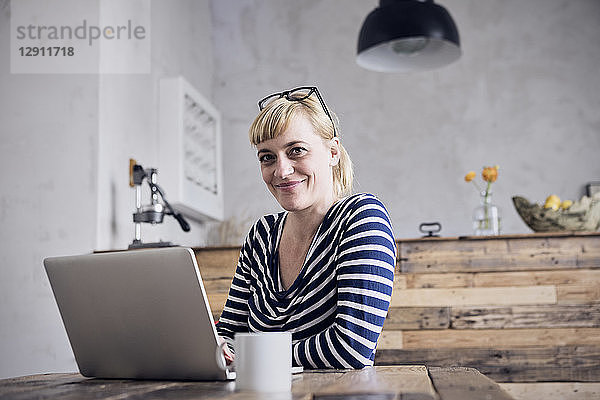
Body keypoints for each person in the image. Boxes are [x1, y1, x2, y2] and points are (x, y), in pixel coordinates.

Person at [216, 86, 396, 369]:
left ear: (333, 152)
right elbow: (228, 333)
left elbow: (351, 348)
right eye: (267, 157)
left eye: (296, 151)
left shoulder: (361, 218)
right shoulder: (261, 235)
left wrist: (252, 356)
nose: (281, 171)